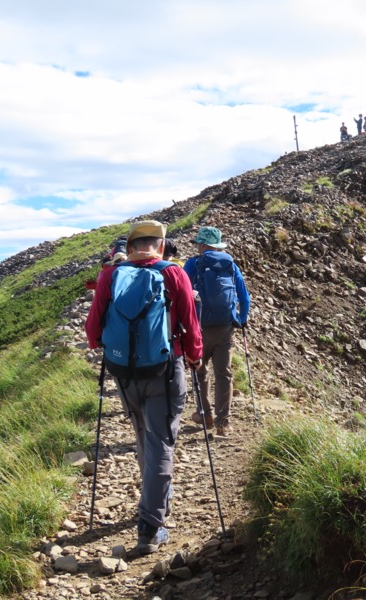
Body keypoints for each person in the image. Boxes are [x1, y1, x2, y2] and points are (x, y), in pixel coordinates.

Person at [85, 220, 203, 554]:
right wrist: (194, 356)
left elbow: (93, 328)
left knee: (142, 434)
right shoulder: (173, 274)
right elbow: (190, 325)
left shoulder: (111, 275)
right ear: (161, 246)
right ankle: (150, 528)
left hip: (124, 372)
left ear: (133, 246)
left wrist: (102, 345)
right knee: (161, 442)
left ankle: (155, 495)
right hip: (165, 371)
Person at [183, 226, 250, 437]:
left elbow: (184, 295)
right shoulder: (230, 264)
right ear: (218, 245)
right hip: (225, 327)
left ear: (202, 245)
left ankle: (206, 415)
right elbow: (244, 297)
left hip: (199, 327)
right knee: (224, 375)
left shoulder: (193, 264)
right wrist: (241, 320)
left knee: (200, 372)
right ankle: (223, 423)